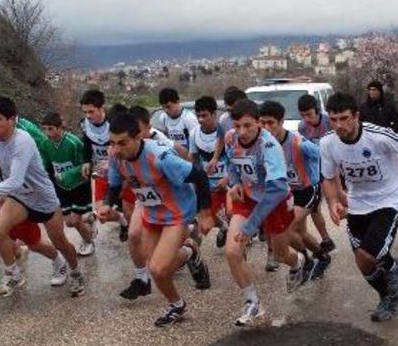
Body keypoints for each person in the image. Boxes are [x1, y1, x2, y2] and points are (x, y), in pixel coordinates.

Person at [0, 97, 85, 297]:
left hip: (43, 198)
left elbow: (15, 180)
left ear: (12, 119)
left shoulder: (22, 141)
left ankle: (75, 271)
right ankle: (13, 273)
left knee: (59, 242)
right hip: (20, 197)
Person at [320, 92, 398, 321]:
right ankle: (387, 291)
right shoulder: (328, 143)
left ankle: (391, 282)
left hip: (388, 200)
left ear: (357, 116)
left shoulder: (378, 136)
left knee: (367, 256)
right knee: (364, 264)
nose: (339, 125)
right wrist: (333, 201)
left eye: (344, 118)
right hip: (358, 204)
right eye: (334, 120)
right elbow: (328, 178)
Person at [98, 113, 213, 326]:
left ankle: (177, 304)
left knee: (159, 269)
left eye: (122, 143)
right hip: (152, 211)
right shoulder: (115, 156)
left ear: (137, 138)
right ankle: (188, 257)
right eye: (112, 143)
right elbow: (113, 185)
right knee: (154, 267)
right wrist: (107, 204)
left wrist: (206, 214)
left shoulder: (159, 156)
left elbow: (199, 176)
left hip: (177, 212)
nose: (116, 149)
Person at [224, 99, 309, 326]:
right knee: (232, 251)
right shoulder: (231, 137)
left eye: (248, 126)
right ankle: (253, 302)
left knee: (281, 255)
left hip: (275, 201)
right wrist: (234, 183)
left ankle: (297, 262)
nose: (242, 132)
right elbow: (231, 163)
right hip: (249, 198)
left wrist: (252, 225)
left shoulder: (269, 146)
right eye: (237, 125)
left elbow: (278, 188)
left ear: (258, 123)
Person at [259, 100, 332, 280]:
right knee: (299, 232)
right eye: (263, 123)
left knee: (287, 229)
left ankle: (306, 261)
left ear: (281, 122)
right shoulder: (261, 143)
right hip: (286, 193)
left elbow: (323, 154)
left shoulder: (297, 141)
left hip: (307, 189)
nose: (266, 128)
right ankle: (322, 256)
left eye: (271, 123)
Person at [39, 112, 97, 257]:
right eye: (44, 129)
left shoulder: (74, 143)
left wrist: (67, 174)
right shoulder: (45, 144)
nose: (47, 133)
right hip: (61, 188)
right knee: (69, 223)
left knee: (75, 220)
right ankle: (88, 219)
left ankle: (88, 242)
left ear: (60, 128)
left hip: (79, 186)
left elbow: (85, 165)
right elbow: (45, 164)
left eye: (50, 129)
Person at [79, 89, 133, 242]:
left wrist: (112, 162)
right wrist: (86, 161)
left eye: (91, 111)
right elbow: (87, 145)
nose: (88, 116)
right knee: (101, 213)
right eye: (85, 112)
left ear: (101, 108)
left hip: (121, 170)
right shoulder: (84, 124)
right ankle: (122, 221)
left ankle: (128, 222)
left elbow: (125, 148)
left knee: (127, 206)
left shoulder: (114, 123)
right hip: (102, 172)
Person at [296, 94, 335, 253]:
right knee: (314, 208)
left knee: (342, 201)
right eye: (303, 115)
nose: (306, 118)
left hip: (335, 166)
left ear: (317, 110)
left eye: (309, 114)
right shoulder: (302, 127)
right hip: (316, 170)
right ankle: (326, 239)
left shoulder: (328, 121)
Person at [189, 96, 230, 248]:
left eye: (204, 115)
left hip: (228, 184)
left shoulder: (228, 133)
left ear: (214, 114)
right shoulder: (194, 134)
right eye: (198, 115)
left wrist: (227, 178)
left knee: (234, 218)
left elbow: (235, 160)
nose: (200, 119)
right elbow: (193, 159)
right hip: (208, 186)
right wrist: (194, 181)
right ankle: (223, 228)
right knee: (205, 224)